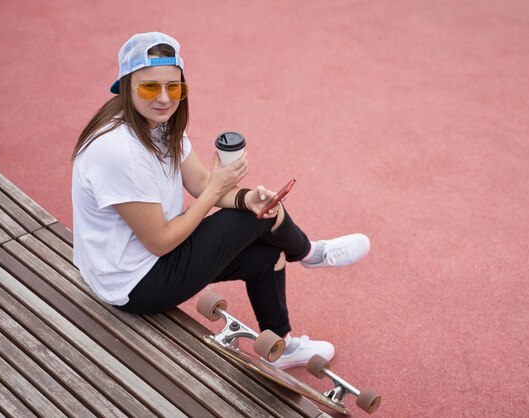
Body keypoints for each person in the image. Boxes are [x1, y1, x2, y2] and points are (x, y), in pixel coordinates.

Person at [71, 32, 370, 369]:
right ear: (126, 86)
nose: (165, 98)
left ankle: (281, 346)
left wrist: (247, 198)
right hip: (133, 283)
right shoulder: (118, 150)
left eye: (174, 87)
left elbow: (199, 181)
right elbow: (160, 241)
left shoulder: (159, 123)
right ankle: (311, 253)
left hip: (139, 262)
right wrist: (222, 192)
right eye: (150, 87)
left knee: (265, 248)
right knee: (249, 220)